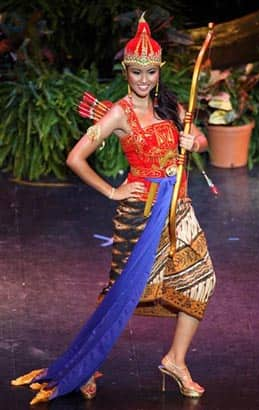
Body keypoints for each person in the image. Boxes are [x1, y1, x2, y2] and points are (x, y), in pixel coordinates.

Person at [11, 13, 216, 405]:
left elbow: (201, 139)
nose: (143, 80)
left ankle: (175, 360)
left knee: (201, 281)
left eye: (150, 72)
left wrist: (195, 144)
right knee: (122, 293)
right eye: (136, 72)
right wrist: (112, 191)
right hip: (140, 214)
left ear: (159, 72)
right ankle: (86, 365)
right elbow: (76, 157)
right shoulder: (118, 113)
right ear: (126, 70)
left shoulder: (170, 105)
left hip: (179, 209)